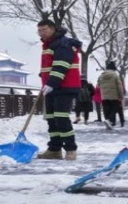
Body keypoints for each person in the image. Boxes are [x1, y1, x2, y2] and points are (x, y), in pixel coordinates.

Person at [36, 19, 82, 161]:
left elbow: (61, 66)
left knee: (61, 116)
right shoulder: (49, 45)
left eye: (44, 29)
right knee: (51, 118)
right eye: (39, 30)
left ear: (53, 29)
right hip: (52, 87)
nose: (41, 33)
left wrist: (51, 83)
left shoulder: (63, 44)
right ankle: (54, 149)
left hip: (65, 86)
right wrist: (44, 80)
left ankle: (70, 149)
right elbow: (49, 67)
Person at [97, 61, 125, 129]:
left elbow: (98, 85)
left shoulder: (101, 75)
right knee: (113, 109)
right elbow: (119, 86)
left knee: (106, 109)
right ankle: (110, 121)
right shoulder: (115, 75)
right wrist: (121, 96)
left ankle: (107, 120)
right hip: (114, 96)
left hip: (104, 96)